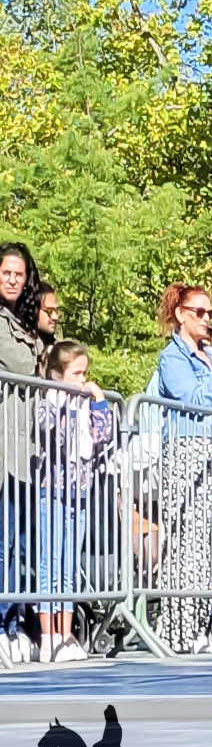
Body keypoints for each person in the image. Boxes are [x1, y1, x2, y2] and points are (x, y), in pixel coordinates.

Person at [151, 283, 212, 654]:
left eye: (210, 314)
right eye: (199, 313)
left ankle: (198, 625)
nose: (206, 320)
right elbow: (192, 399)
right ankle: (176, 628)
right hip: (187, 447)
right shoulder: (173, 358)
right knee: (185, 544)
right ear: (181, 314)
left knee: (209, 542)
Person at [34, 339, 102, 662]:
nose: (83, 380)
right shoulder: (48, 400)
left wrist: (99, 405)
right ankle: (49, 635)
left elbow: (102, 439)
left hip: (80, 491)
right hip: (53, 490)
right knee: (51, 563)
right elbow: (47, 430)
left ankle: (67, 632)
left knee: (69, 566)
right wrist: (64, 400)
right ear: (58, 375)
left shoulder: (85, 404)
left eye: (84, 373)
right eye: (76, 374)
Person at [0, 243, 44, 375]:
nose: (12, 281)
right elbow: (24, 369)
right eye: (6, 273)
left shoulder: (26, 323)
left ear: (26, 280)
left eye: (18, 275)